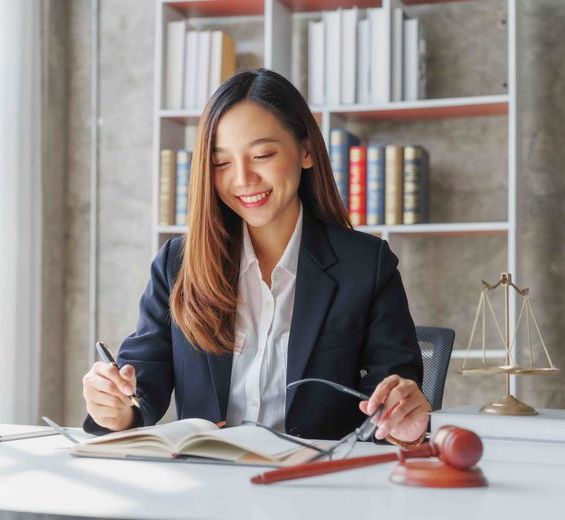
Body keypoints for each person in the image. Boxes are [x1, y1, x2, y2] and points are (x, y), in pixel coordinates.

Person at [82, 68, 430, 445]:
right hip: (207, 484)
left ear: (307, 151)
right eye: (222, 163)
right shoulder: (177, 263)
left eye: (262, 154)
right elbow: (141, 384)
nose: (243, 178)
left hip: (316, 486)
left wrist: (401, 418)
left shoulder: (367, 264)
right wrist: (115, 407)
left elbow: (393, 389)